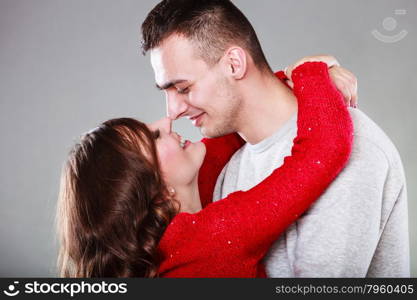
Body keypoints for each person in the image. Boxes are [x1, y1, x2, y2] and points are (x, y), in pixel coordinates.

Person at [141, 0, 410, 277]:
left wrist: (311, 76)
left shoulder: (355, 143)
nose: (172, 111)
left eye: (183, 88)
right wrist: (309, 74)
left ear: (234, 65)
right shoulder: (229, 164)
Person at [57, 60, 353, 277]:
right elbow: (324, 148)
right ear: (159, 194)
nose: (167, 120)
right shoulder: (209, 237)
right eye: (155, 137)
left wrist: (279, 81)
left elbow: (238, 119)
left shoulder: (173, 235)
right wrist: (311, 72)